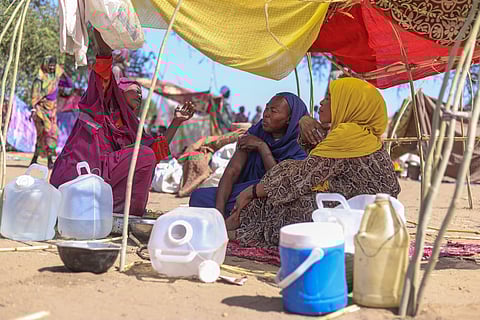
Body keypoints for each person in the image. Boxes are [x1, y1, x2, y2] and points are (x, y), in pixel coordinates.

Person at [226, 78, 401, 247]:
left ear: (347, 105)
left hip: (360, 217)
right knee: (282, 184)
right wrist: (304, 121)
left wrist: (252, 192)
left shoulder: (348, 137)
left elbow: (302, 178)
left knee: (285, 202)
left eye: (329, 99)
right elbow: (315, 162)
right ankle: (241, 229)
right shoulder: (362, 136)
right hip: (374, 215)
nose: (321, 102)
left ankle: (242, 233)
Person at [50, 29, 194, 216]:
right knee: (143, 155)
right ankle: (122, 212)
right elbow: (103, 66)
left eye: (141, 93)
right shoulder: (99, 105)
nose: (140, 94)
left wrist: (176, 122)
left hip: (100, 180)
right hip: (75, 176)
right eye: (135, 89)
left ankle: (122, 214)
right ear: (118, 91)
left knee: (145, 156)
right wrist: (100, 28)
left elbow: (156, 151)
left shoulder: (131, 128)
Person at [189, 92, 309, 217]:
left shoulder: (300, 146)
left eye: (273, 111)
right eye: (266, 108)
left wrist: (262, 147)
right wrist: (218, 211)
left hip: (274, 196)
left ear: (289, 119)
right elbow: (232, 171)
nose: (266, 114)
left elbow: (278, 182)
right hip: (245, 191)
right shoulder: (256, 132)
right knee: (199, 197)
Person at [30, 56, 63, 169]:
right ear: (45, 65)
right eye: (50, 65)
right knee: (43, 134)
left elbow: (69, 84)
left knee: (52, 134)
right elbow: (35, 95)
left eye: (54, 65)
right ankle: (44, 160)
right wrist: (33, 109)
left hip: (52, 111)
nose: (52, 67)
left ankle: (42, 160)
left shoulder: (56, 78)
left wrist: (63, 72)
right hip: (40, 110)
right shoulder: (40, 79)